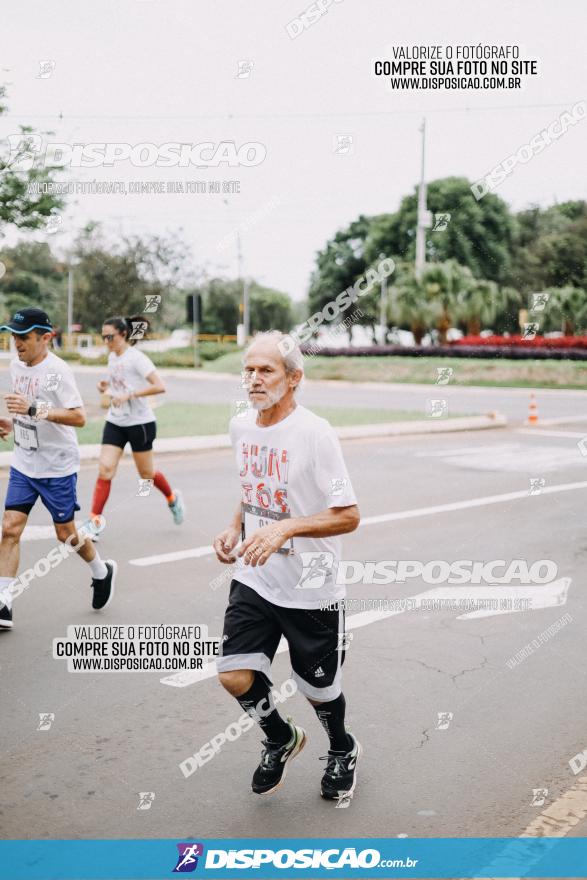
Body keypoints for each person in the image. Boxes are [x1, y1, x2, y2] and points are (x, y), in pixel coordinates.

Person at [213, 330, 361, 800]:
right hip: (255, 576)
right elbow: (252, 483)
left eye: (266, 370)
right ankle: (279, 737)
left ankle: (342, 747)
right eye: (249, 370)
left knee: (318, 691)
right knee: (233, 674)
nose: (254, 379)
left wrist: (287, 528)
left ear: (294, 378)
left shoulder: (315, 433)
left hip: (311, 585)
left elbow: (349, 516)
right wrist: (235, 526)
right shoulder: (241, 426)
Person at [0, 308, 116, 630]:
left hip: (56, 465)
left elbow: (79, 417)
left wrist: (34, 409)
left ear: (45, 337)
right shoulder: (15, 365)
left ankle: (101, 571)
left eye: (23, 337)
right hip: (25, 461)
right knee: (10, 527)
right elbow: (27, 408)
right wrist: (12, 421)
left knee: (66, 535)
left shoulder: (58, 371)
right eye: (13, 335)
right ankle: (3, 602)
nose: (16, 343)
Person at [89, 315, 184, 534]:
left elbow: (160, 386)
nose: (106, 342)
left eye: (110, 337)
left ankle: (172, 498)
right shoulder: (113, 357)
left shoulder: (137, 358)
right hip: (115, 421)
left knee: (147, 474)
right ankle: (94, 523)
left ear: (123, 334)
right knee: (105, 469)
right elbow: (118, 384)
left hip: (140, 423)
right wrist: (105, 385)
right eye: (103, 337)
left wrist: (130, 395)